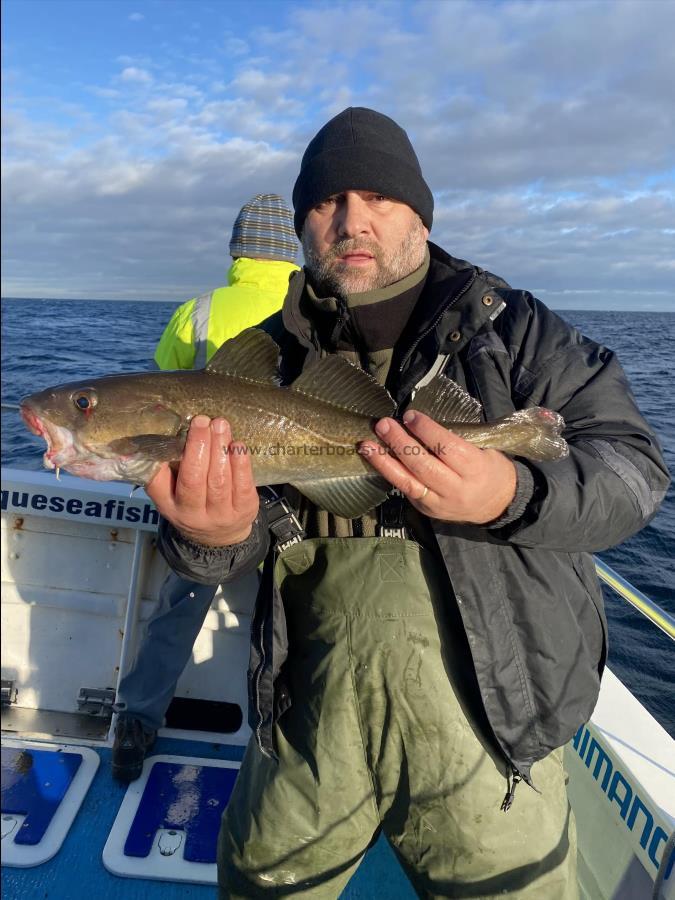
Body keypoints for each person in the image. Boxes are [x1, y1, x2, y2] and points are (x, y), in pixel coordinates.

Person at [146, 109, 670, 898]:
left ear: (419, 213)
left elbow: (632, 471)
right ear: (301, 226)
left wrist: (512, 492)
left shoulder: (521, 334)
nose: (352, 220)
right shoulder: (260, 355)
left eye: (379, 197)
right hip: (307, 714)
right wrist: (208, 537)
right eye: (324, 203)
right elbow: (227, 547)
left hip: (496, 726)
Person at [111, 194, 300, 782]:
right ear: (292, 251)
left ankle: (137, 721)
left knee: (182, 600)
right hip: (292, 484)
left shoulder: (198, 310)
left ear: (237, 248)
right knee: (293, 609)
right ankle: (282, 747)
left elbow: (155, 388)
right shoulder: (313, 309)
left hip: (203, 483)